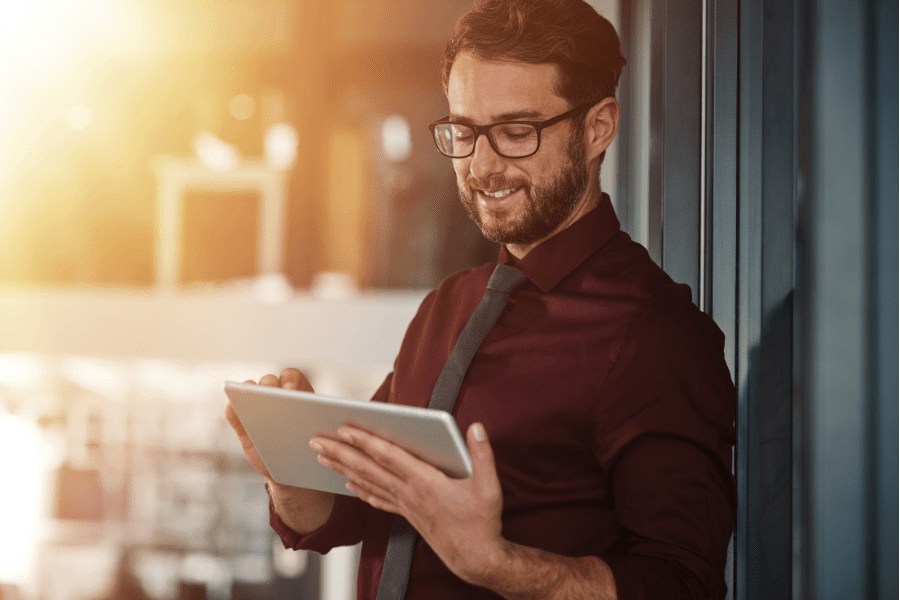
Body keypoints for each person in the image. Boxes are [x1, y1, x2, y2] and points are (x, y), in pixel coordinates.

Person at [225, 0, 737, 598]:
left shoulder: (656, 334)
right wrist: (298, 488)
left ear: (597, 128)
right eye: (464, 132)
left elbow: (682, 582)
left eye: (516, 132)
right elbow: (371, 517)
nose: (482, 165)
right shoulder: (448, 307)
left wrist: (494, 564)